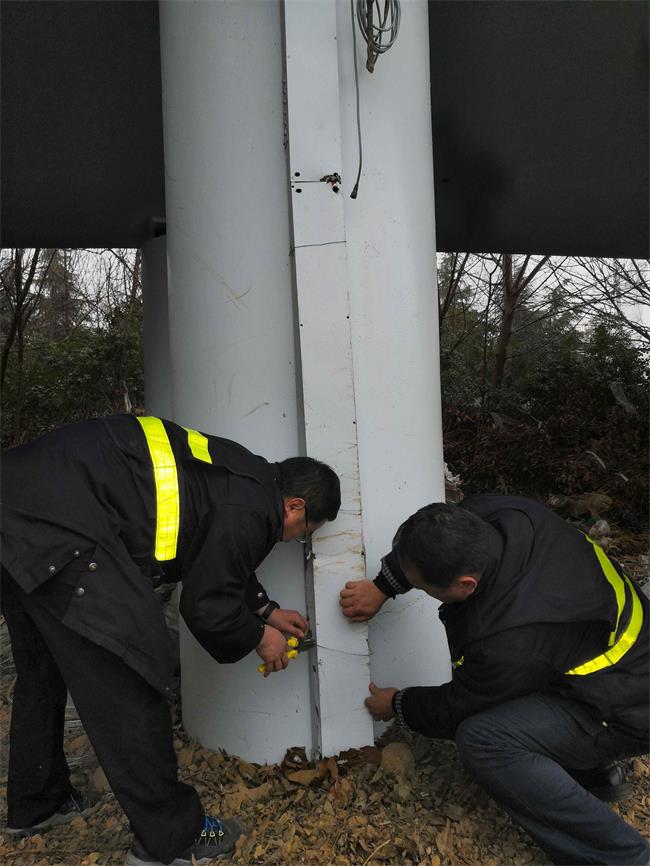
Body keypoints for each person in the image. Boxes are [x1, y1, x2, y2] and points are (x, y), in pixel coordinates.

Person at [1, 414, 340, 866]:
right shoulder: (254, 508)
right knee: (136, 671)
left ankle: (36, 803)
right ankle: (173, 839)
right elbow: (205, 605)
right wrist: (261, 637)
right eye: (305, 533)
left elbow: (214, 554)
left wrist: (266, 609)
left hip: (15, 511)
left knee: (42, 669)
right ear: (295, 507)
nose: (295, 540)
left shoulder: (243, 475)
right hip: (63, 530)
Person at [340, 495, 650, 866]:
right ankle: (590, 771)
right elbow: (428, 535)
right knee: (539, 676)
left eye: (423, 587)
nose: (418, 589)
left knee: (486, 740)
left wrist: (397, 704)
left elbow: (459, 706)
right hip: (614, 654)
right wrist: (383, 586)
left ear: (466, 585)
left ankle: (623, 857)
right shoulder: (507, 513)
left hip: (627, 708)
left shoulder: (506, 641)